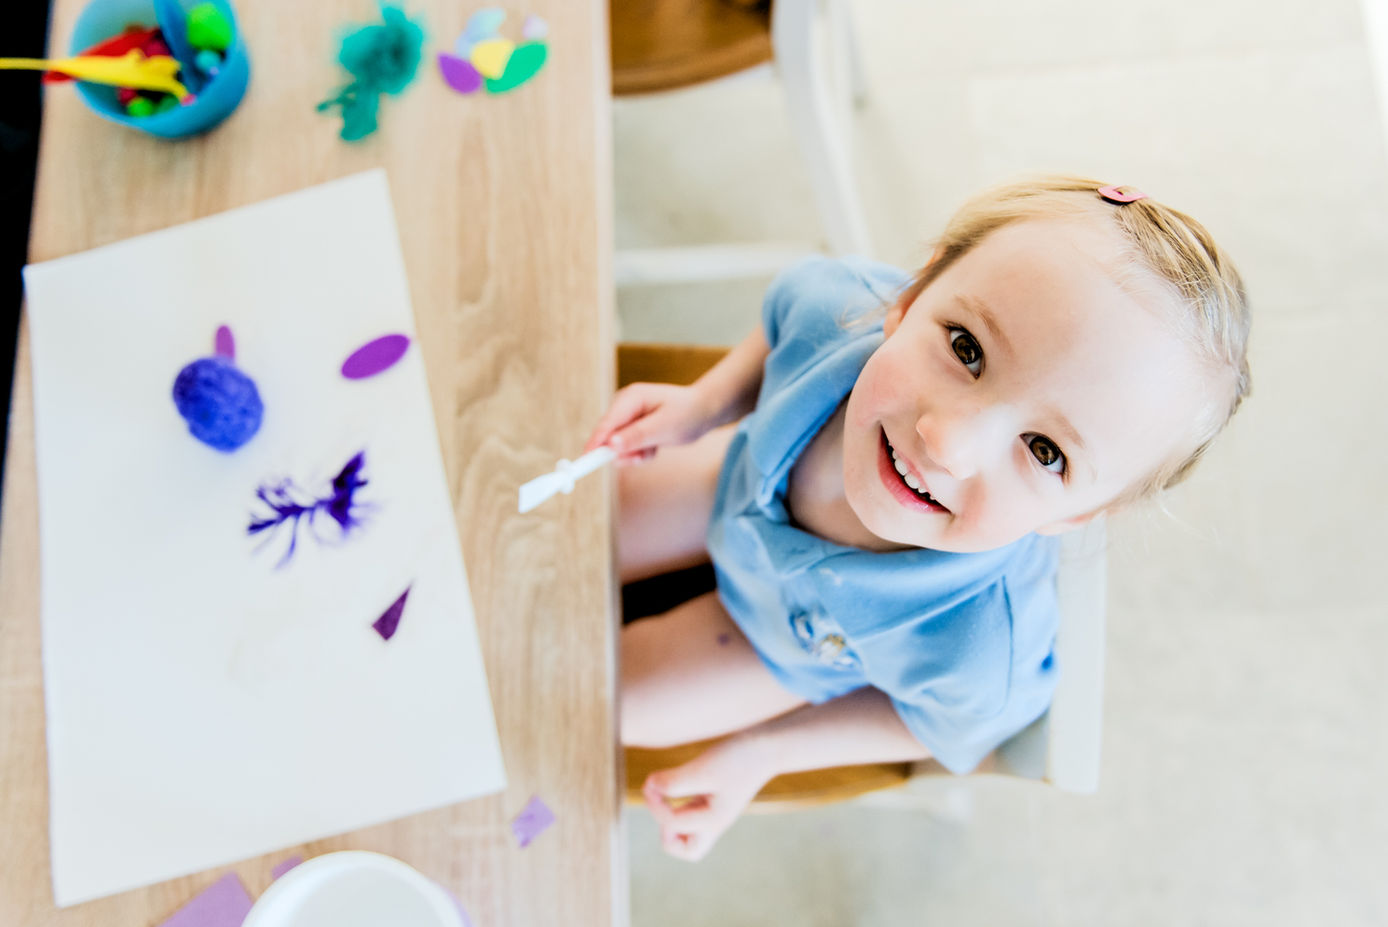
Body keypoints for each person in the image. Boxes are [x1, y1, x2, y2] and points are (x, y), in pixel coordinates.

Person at [585, 176, 1251, 860]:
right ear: (910, 296)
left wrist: (764, 752)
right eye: (967, 349)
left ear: (1081, 515)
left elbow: (937, 726)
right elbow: (792, 304)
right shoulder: (840, 313)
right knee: (569, 527)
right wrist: (708, 403)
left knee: (614, 700)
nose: (948, 443)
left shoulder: (976, 645)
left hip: (778, 638)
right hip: (736, 483)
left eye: (1045, 451)